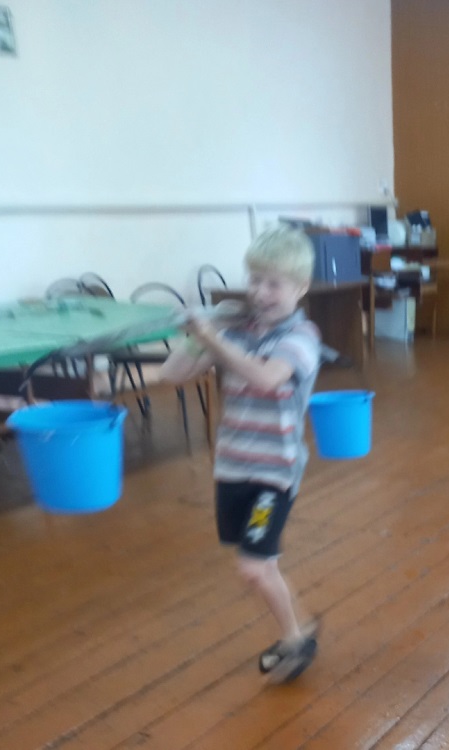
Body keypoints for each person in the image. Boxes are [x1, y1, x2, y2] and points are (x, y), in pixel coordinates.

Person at [159, 226, 322, 683]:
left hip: (274, 475)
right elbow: (173, 373)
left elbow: (266, 378)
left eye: (274, 284)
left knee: (252, 567)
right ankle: (301, 628)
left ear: (300, 287)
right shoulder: (237, 331)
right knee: (261, 563)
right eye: (255, 280)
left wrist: (213, 338)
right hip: (232, 468)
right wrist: (197, 336)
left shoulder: (302, 336)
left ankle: (295, 639)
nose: (261, 293)